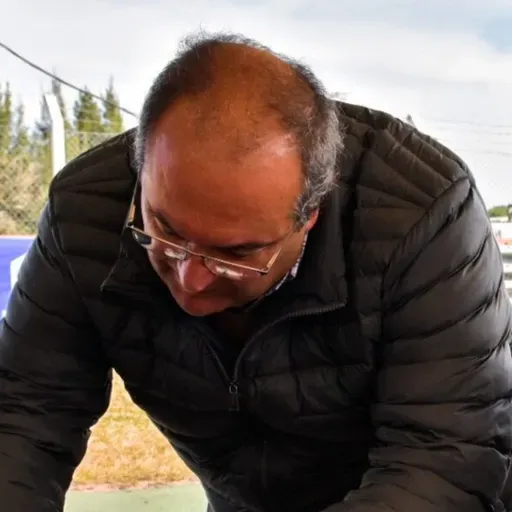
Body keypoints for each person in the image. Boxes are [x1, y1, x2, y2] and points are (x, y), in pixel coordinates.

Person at [0, 32, 511, 512]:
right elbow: (25, 413)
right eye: (165, 230)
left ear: (311, 212)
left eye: (236, 253)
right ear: (142, 164)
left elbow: (443, 455)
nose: (191, 281)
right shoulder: (84, 210)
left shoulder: (422, 215)